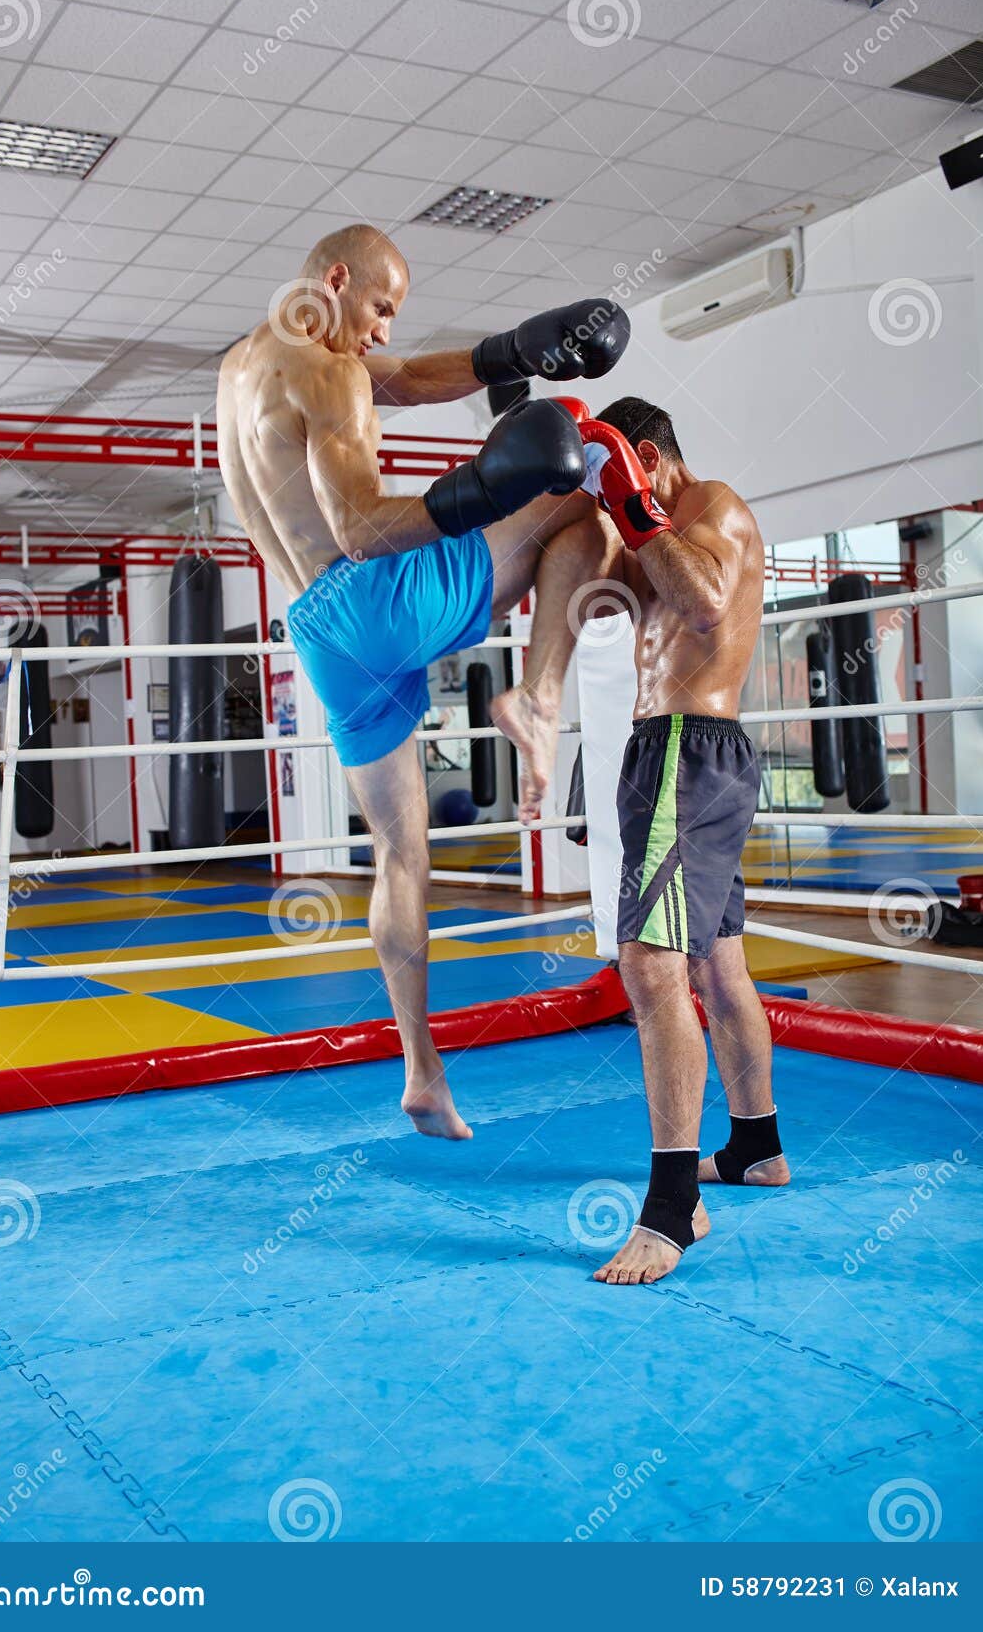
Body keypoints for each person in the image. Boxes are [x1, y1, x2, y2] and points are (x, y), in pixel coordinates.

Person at [216, 223, 629, 1141]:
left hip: (320, 631)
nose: (380, 332)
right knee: (584, 510)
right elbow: (364, 528)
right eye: (379, 308)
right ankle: (538, 694)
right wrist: (487, 485)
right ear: (335, 278)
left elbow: (397, 378)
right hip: (373, 596)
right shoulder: (327, 373)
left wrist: (513, 353)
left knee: (403, 856)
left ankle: (420, 1070)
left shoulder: (246, 366)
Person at [564, 397, 789, 1284]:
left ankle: (671, 1209)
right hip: (684, 756)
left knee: (648, 966)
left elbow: (701, 606)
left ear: (645, 456)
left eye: (615, 473)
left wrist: (627, 496)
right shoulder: (656, 529)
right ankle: (756, 1147)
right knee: (716, 965)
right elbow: (594, 610)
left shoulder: (714, 507)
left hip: (683, 756)